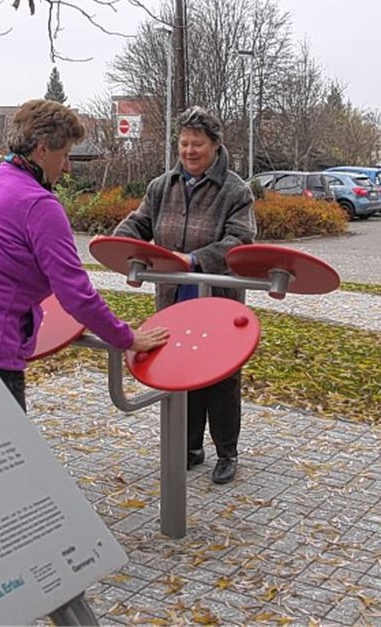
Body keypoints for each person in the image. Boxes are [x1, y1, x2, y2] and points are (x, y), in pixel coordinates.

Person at [0, 99, 168, 411]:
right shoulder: (39, 204)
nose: (68, 167)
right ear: (43, 150)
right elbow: (76, 294)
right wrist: (126, 338)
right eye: (65, 155)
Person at [114, 106, 256, 485]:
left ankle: (227, 451)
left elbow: (239, 240)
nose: (189, 151)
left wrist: (194, 259)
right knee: (183, 370)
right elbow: (139, 222)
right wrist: (119, 245)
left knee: (221, 377)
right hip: (175, 298)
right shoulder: (162, 186)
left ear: (215, 146)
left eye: (198, 144)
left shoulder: (235, 190)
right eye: (183, 144)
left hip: (218, 298)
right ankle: (191, 446)